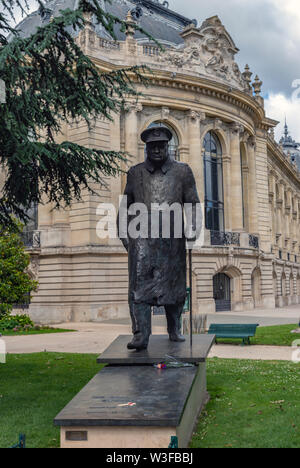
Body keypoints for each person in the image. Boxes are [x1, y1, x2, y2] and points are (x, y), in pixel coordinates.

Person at [118, 126, 201, 350]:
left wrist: (194, 229)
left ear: (168, 147)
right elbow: (125, 205)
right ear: (146, 148)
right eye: (152, 146)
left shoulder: (183, 171)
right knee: (139, 290)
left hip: (172, 240)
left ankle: (174, 329)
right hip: (141, 241)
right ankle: (140, 334)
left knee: (174, 288)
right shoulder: (135, 173)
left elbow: (192, 202)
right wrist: (125, 236)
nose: (156, 150)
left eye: (161, 146)